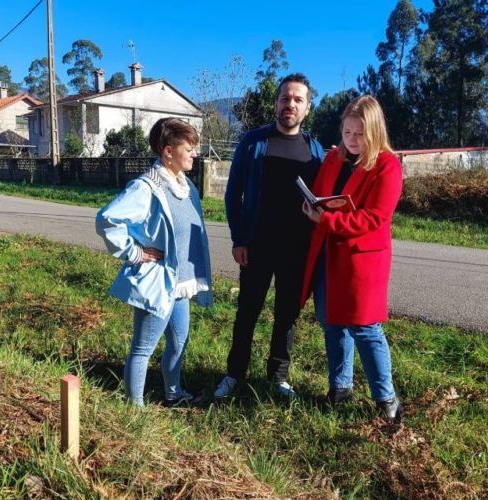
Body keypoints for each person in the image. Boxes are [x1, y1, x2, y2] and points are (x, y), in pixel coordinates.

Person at [214, 73, 325, 399]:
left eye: (297, 99)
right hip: (257, 245)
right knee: (247, 311)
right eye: (285, 98)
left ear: (307, 108)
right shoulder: (253, 142)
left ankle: (278, 378)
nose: (290, 104)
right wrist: (238, 239)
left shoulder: (315, 149)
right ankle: (234, 373)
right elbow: (232, 195)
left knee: (287, 315)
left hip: (297, 248)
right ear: (276, 103)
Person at [300, 96, 404, 423]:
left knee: (365, 329)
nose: (352, 139)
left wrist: (326, 220)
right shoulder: (334, 158)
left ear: (374, 132)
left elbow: (375, 218)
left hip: (361, 261)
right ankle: (339, 387)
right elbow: (320, 193)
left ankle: (386, 399)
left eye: (359, 133)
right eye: (347, 131)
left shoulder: (387, 165)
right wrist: (312, 207)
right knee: (332, 323)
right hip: (328, 255)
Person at [96, 117, 213, 407]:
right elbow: (107, 219)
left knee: (179, 342)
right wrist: (135, 253)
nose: (195, 154)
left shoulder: (188, 188)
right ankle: (133, 408)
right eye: (189, 148)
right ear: (168, 151)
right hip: (158, 282)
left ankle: (173, 393)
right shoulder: (146, 188)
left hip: (181, 283)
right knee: (143, 348)